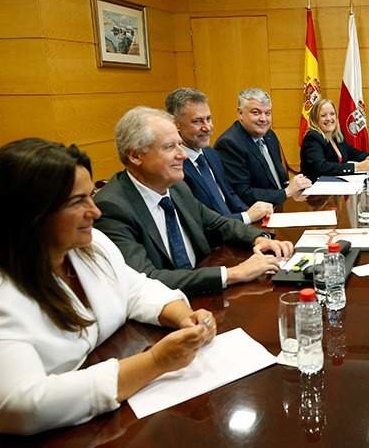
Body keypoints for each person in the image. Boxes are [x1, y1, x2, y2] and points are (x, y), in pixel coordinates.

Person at [0, 139, 216, 437]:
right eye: (77, 201)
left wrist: (184, 316)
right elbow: (19, 406)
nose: (95, 211)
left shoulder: (90, 245)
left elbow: (135, 288)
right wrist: (155, 362)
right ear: (31, 214)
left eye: (90, 195)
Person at [94, 107, 292, 297]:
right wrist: (233, 274)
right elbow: (145, 279)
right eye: (170, 147)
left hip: (204, 297)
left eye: (180, 144)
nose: (182, 155)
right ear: (135, 155)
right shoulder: (112, 208)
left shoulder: (177, 187)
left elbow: (218, 224)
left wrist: (259, 239)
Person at [165, 87, 274, 224]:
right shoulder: (175, 167)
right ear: (177, 125)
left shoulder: (210, 154)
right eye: (197, 121)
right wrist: (246, 217)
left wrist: (255, 215)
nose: (207, 127)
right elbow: (200, 221)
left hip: (235, 230)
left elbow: (230, 195)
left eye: (208, 119)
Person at [215, 88, 312, 205]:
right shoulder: (229, 144)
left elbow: (278, 179)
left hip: (277, 207)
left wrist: (294, 190)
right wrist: (286, 192)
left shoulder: (269, 135)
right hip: (254, 216)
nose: (263, 119)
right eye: (256, 112)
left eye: (267, 113)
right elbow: (243, 193)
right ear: (240, 114)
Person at [299, 98, 369, 181]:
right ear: (315, 119)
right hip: (315, 190)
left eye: (332, 114)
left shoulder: (336, 136)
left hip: (335, 187)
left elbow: (352, 152)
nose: (329, 118)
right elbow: (321, 167)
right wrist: (357, 167)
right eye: (323, 115)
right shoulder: (312, 138)